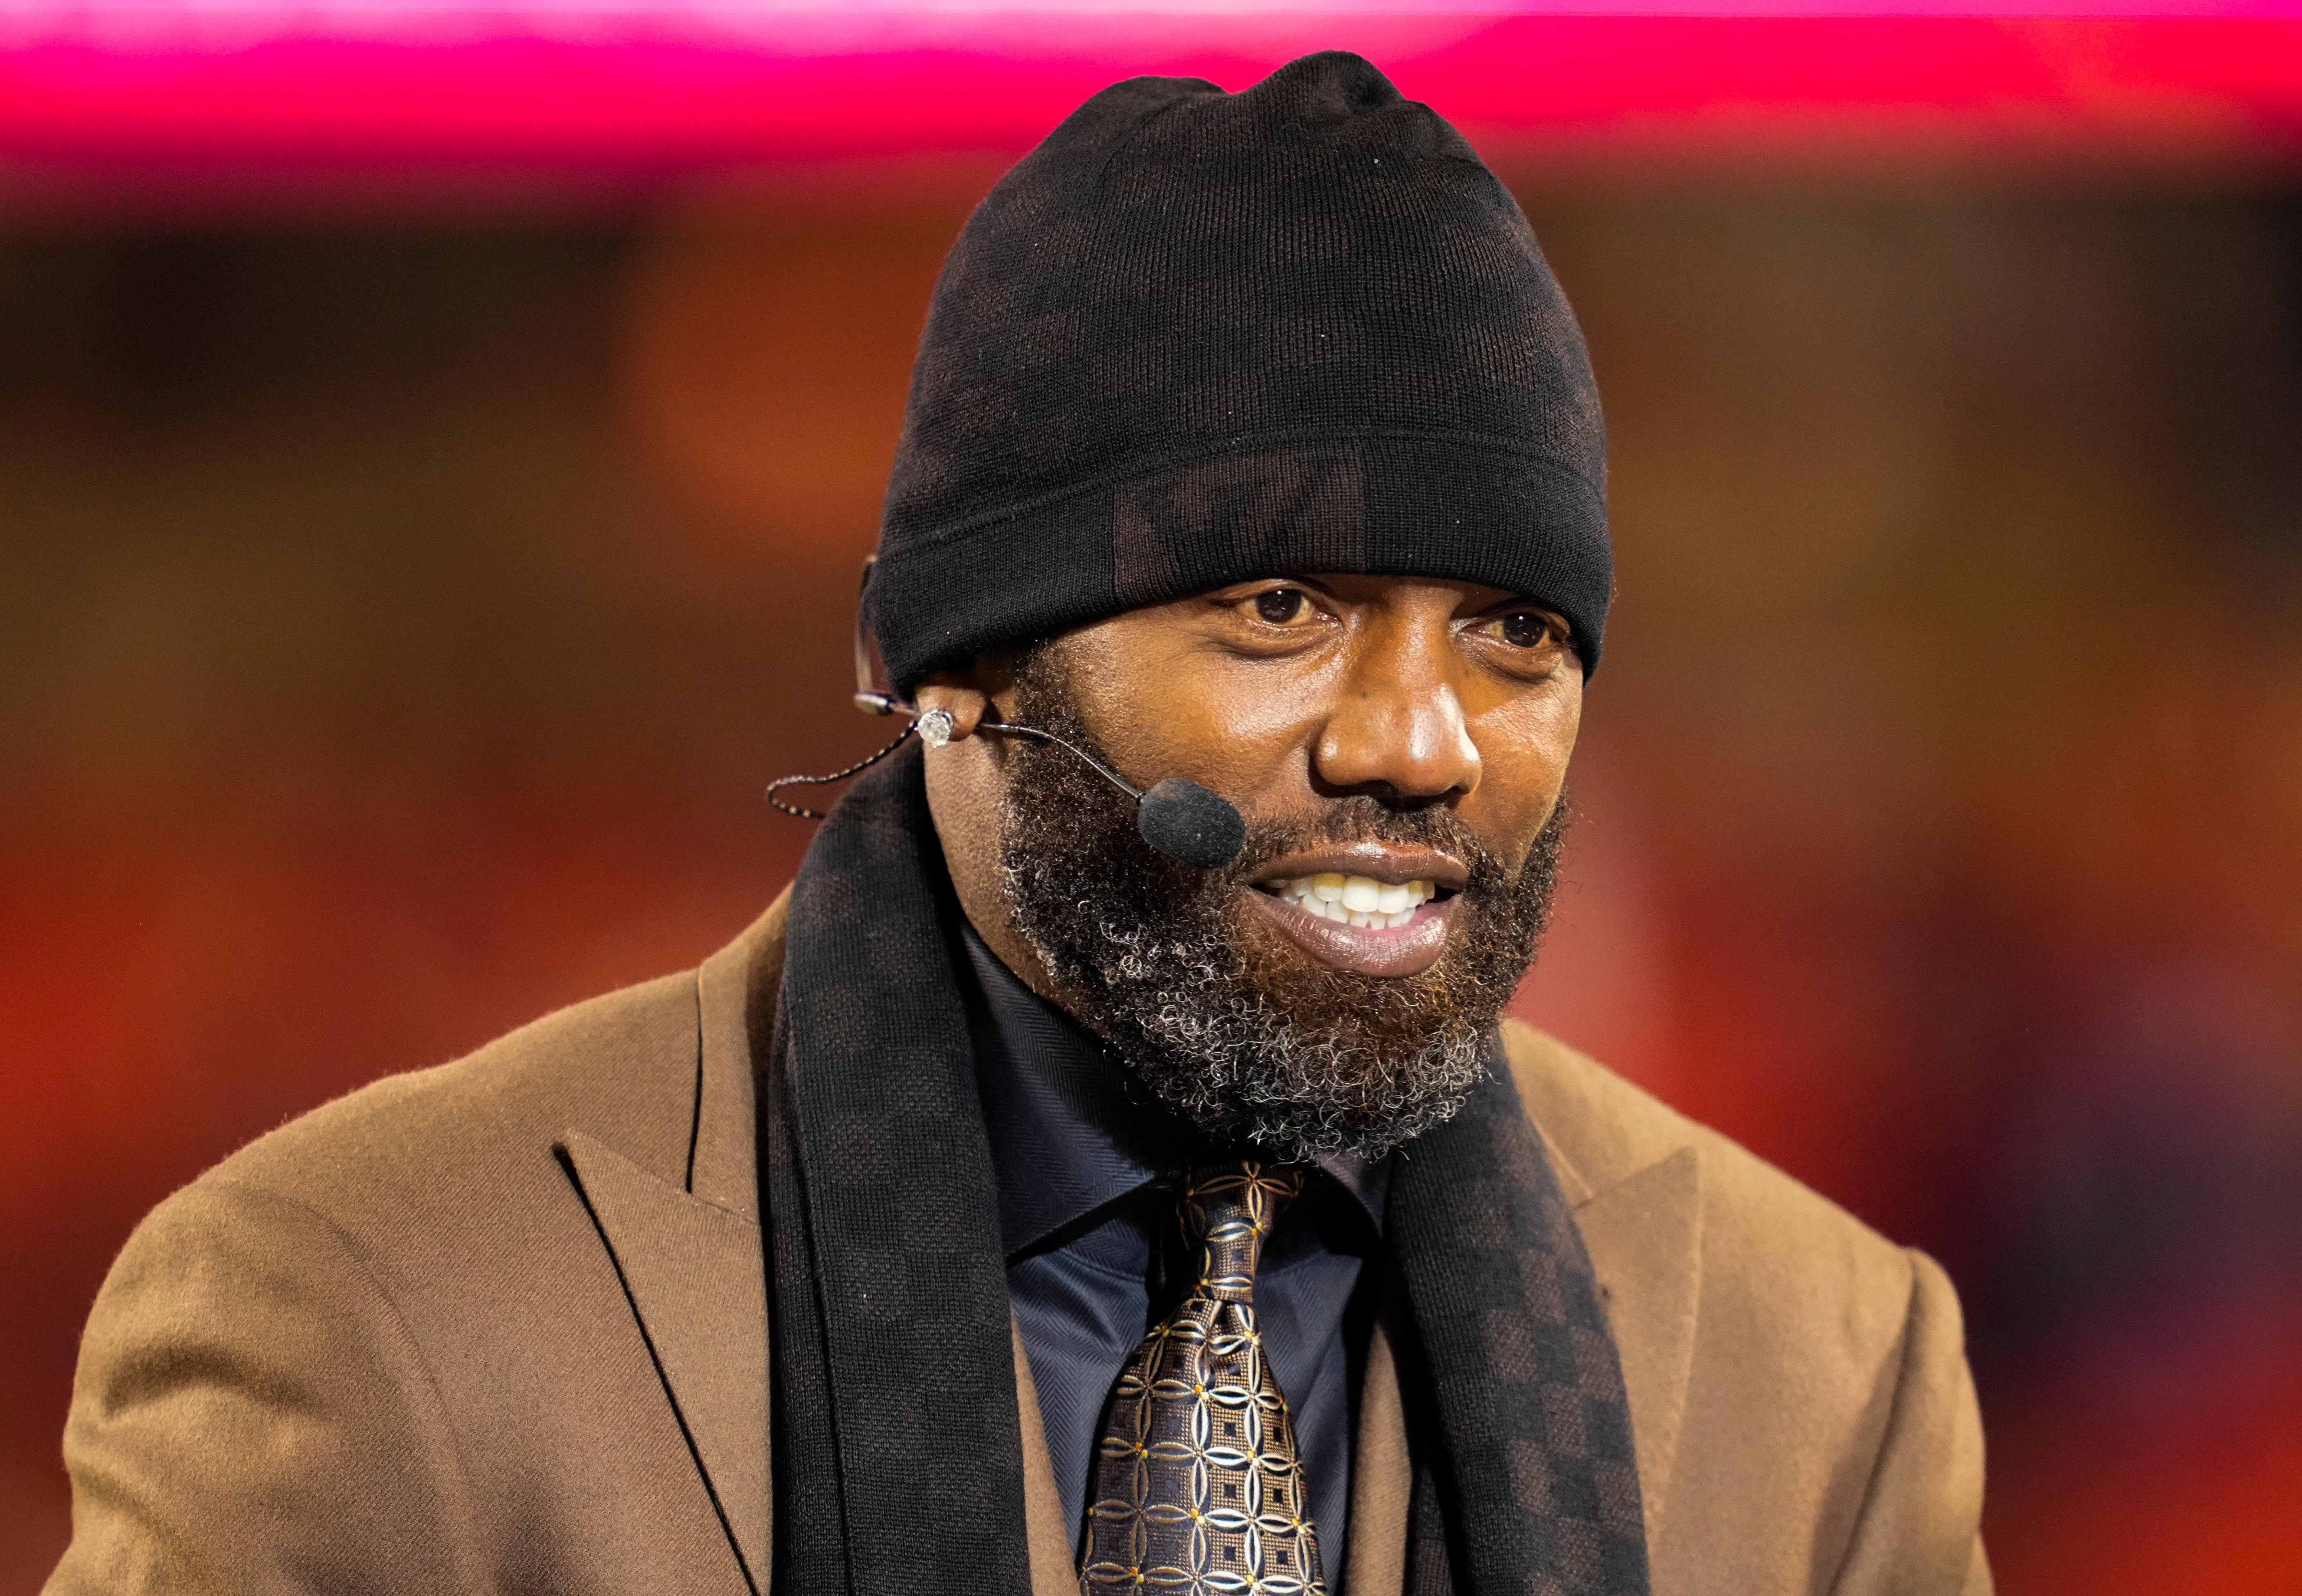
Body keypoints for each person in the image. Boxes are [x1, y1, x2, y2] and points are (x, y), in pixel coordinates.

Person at [45, 51, 1987, 1596]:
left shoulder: (1824, 1370)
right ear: (959, 670)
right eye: (1278, 609)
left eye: (1511, 634)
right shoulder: (371, 1313)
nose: (1421, 744)